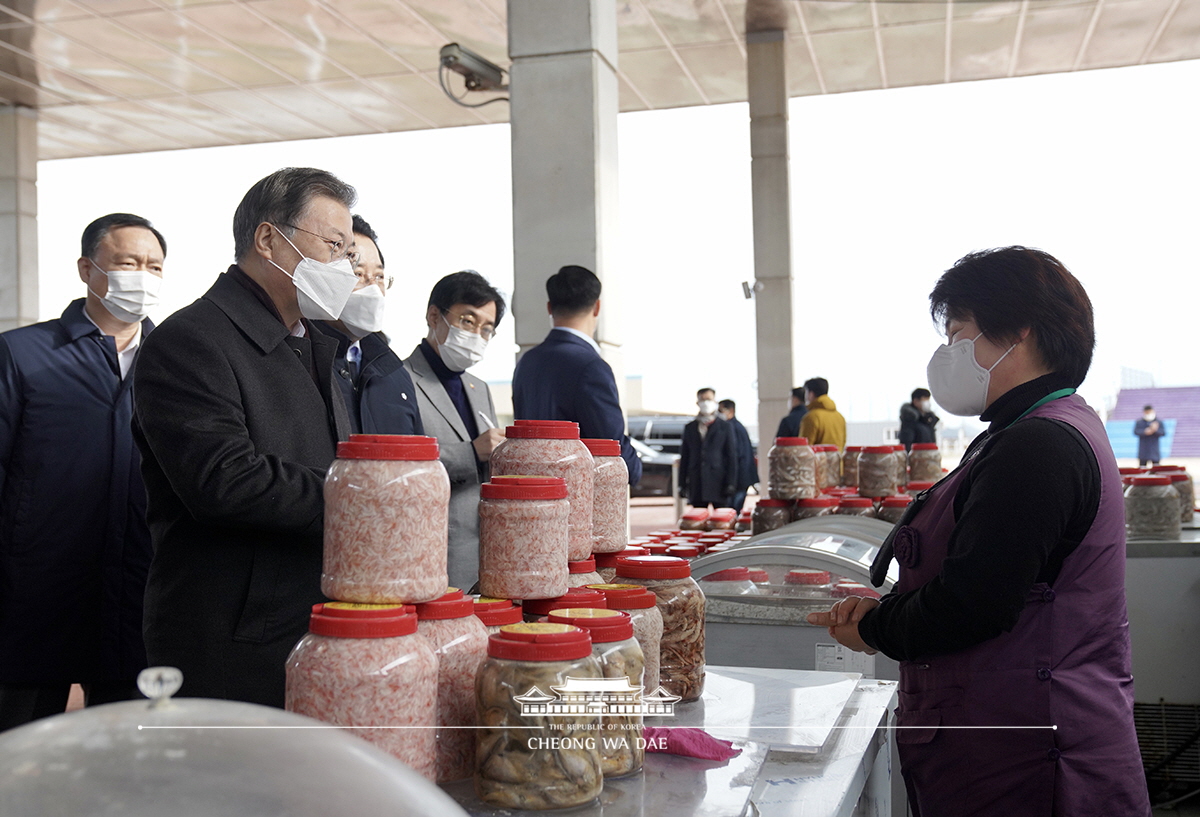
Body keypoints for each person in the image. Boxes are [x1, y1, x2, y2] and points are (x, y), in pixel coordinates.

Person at [808, 247, 1150, 816]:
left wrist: (878, 625)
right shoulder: (1032, 429)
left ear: (1019, 333)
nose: (946, 354)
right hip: (1007, 741)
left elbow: (976, 602)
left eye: (958, 333)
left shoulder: (1037, 445)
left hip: (1027, 763)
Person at [133, 168, 356, 707]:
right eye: (333, 246)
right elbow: (224, 479)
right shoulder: (192, 340)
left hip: (316, 614)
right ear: (267, 239)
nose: (344, 267)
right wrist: (359, 497)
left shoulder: (323, 344)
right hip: (236, 632)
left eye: (349, 253)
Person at [0, 213, 166, 730]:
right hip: (34, 593)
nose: (142, 275)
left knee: (127, 761)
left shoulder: (176, 360)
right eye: (127, 262)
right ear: (86, 268)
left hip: (138, 593)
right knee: (19, 753)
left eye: (154, 266)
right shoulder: (24, 354)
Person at [403, 271, 504, 589]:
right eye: (468, 321)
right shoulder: (398, 379)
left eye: (487, 329)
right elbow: (400, 463)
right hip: (434, 550)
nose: (477, 334)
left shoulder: (479, 388)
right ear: (435, 315)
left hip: (486, 552)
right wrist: (471, 452)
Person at [511, 265, 642, 485]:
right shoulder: (591, 366)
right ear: (597, 307)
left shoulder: (527, 362)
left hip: (531, 496)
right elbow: (612, 448)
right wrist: (636, 468)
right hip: (576, 498)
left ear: (549, 308)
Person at [314, 215, 423, 435]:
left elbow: (416, 460)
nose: (372, 288)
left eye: (379, 276)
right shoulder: (302, 361)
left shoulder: (394, 372)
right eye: (358, 274)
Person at [678, 388, 738, 509]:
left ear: (715, 401)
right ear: (697, 402)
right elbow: (685, 457)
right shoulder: (690, 427)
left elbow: (731, 456)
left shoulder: (725, 427)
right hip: (697, 482)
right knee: (698, 519)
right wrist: (682, 484)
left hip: (719, 482)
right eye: (703, 400)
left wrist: (731, 483)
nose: (706, 403)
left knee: (721, 521)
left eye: (709, 399)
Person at [718, 399, 757, 512]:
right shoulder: (738, 426)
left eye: (720, 410)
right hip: (742, 477)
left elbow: (736, 455)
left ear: (730, 410)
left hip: (739, 478)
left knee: (732, 510)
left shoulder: (731, 427)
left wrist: (731, 480)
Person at [798, 377, 846, 450]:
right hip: (837, 460)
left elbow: (804, 448)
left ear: (811, 394)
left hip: (818, 461)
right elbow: (843, 443)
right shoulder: (840, 417)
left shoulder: (812, 417)